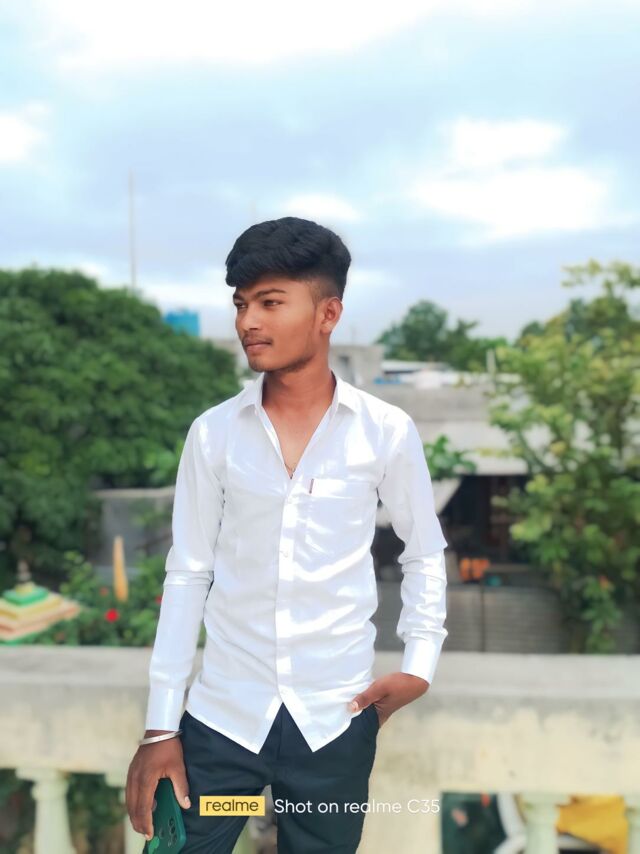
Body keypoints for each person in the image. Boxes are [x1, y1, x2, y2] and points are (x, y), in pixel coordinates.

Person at [126, 216, 449, 853]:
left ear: (328, 313)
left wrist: (420, 664)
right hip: (223, 726)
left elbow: (424, 551)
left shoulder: (384, 430)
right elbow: (188, 572)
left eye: (271, 302)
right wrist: (161, 727)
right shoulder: (214, 433)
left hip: (334, 726)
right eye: (241, 304)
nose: (248, 321)